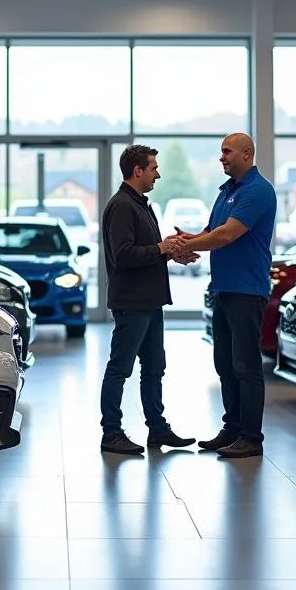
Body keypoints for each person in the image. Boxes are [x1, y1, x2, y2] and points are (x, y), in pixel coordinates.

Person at [174, 132, 277, 459]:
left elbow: (229, 234)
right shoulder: (227, 191)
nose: (221, 157)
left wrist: (187, 246)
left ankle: (251, 437)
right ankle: (232, 428)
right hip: (223, 289)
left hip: (247, 291)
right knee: (225, 364)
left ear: (247, 154)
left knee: (246, 366)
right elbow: (212, 231)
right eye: (221, 151)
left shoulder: (258, 190)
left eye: (227, 151)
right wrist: (190, 239)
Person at [99, 144, 200, 457]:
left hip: (150, 301)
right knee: (120, 368)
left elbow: (148, 251)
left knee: (155, 367)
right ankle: (111, 433)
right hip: (132, 303)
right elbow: (124, 255)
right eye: (153, 168)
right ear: (137, 170)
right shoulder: (121, 206)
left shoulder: (141, 205)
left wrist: (171, 254)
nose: (158, 173)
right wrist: (162, 248)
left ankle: (157, 428)